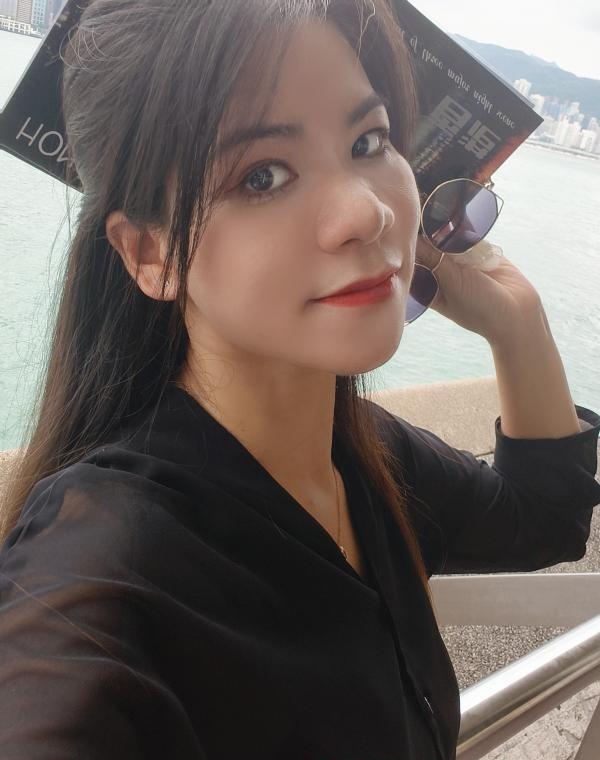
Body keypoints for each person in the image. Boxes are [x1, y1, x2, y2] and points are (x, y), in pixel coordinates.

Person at [0, 1, 599, 759]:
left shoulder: (361, 454)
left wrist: (518, 324)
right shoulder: (107, 570)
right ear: (151, 255)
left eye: (368, 140)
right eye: (263, 175)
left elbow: (545, 518)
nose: (366, 211)